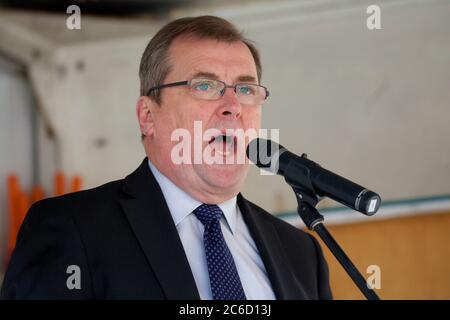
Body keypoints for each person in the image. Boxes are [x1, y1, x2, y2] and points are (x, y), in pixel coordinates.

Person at [0, 16, 332, 300]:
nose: (233, 106)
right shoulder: (72, 229)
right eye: (205, 85)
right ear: (147, 116)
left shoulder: (301, 254)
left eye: (245, 90)